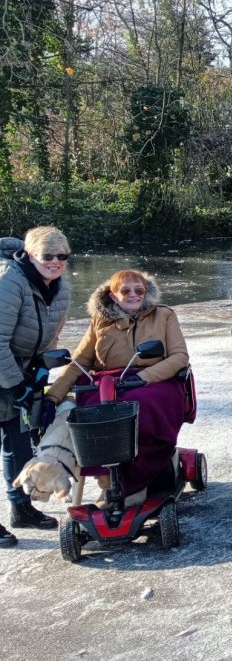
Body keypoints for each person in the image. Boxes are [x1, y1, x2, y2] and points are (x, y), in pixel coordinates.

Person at [45, 270, 188, 505]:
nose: (133, 295)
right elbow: (79, 363)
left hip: (154, 379)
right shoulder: (100, 321)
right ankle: (109, 481)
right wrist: (52, 397)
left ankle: (137, 481)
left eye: (139, 290)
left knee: (142, 407)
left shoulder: (164, 315)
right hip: (110, 381)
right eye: (125, 290)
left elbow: (179, 356)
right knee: (95, 411)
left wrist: (143, 376)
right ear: (113, 295)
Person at [0, 226, 72, 545]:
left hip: (20, 372)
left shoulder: (62, 290)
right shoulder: (10, 283)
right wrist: (16, 386)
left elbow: (50, 338)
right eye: (48, 256)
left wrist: (41, 371)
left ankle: (21, 508)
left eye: (62, 256)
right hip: (6, 369)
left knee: (18, 442)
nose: (55, 262)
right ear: (31, 256)